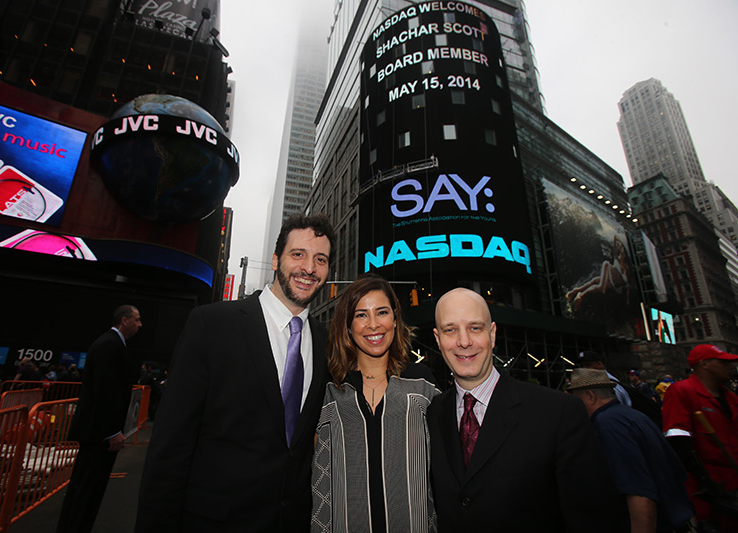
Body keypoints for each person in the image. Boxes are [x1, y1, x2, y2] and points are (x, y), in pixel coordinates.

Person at [137, 214, 335, 531]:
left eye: (320, 259)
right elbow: (171, 447)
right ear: (275, 259)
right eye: (298, 254)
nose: (309, 269)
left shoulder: (327, 343)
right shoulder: (212, 325)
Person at [426, 288, 625, 532]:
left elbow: (597, 519)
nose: (464, 341)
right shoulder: (432, 413)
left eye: (475, 328)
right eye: (450, 329)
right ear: (437, 339)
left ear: (493, 333)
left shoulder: (558, 412)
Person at [311, 274, 439, 532]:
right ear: (348, 325)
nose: (373, 324)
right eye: (361, 315)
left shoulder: (423, 384)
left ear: (394, 319)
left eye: (381, 312)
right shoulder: (328, 389)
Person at [567, 368, 693, 532]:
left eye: (576, 399)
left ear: (590, 396)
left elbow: (639, 493)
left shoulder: (608, 425)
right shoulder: (633, 416)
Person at [55, 305, 143, 533]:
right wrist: (112, 431)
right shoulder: (108, 345)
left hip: (99, 431)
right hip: (98, 434)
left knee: (89, 490)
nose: (139, 325)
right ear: (124, 321)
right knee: (87, 489)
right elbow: (105, 391)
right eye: (136, 320)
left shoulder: (112, 344)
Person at [663, 344, 738, 530]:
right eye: (723, 362)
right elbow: (677, 439)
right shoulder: (682, 391)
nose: (731, 367)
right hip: (706, 488)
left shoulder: (731, 398)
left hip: (732, 479)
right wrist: (703, 481)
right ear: (705, 364)